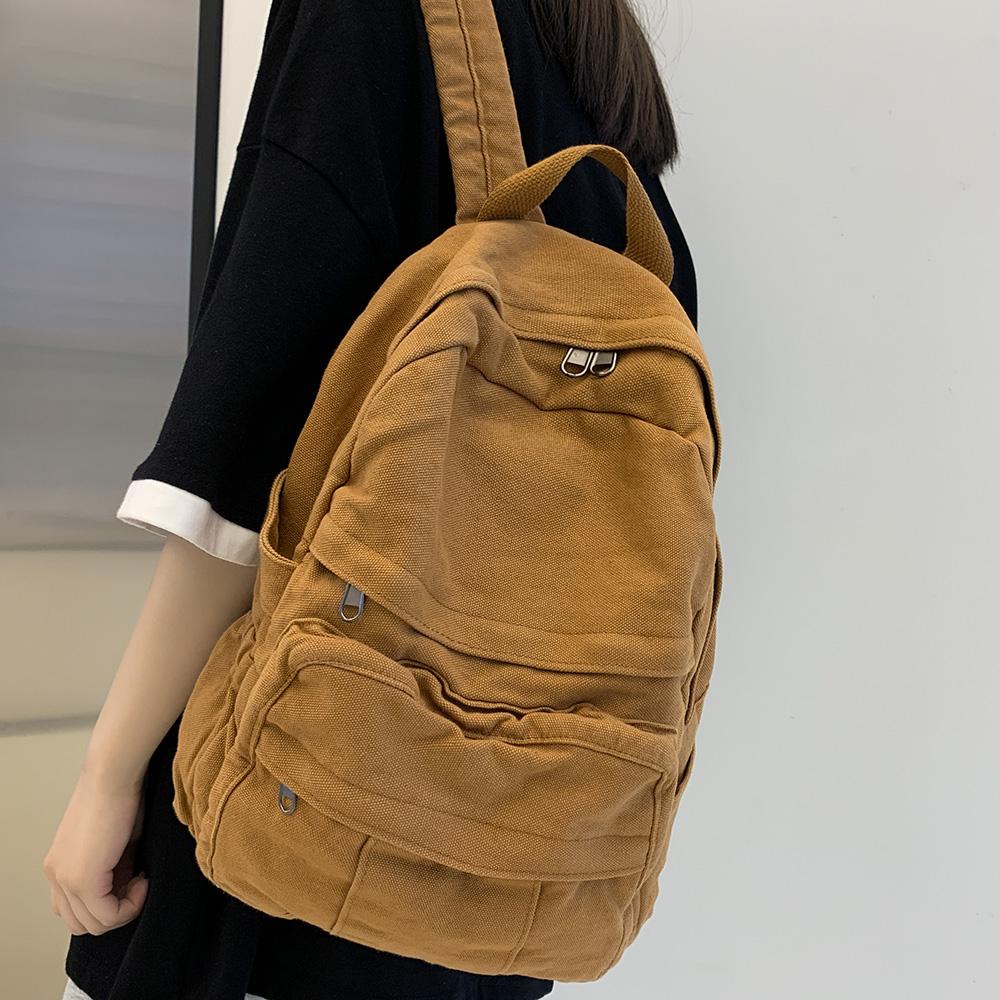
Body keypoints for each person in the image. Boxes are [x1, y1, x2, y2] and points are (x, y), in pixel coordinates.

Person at [43, 1, 698, 997]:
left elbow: (247, 461)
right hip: (506, 868)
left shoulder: (369, 20)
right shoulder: (601, 76)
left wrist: (108, 772)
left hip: (298, 826)